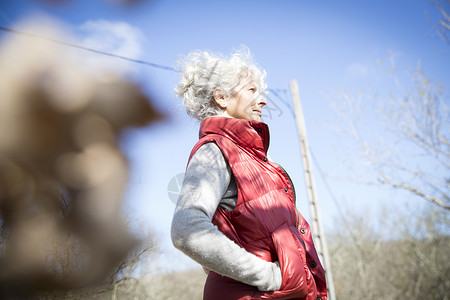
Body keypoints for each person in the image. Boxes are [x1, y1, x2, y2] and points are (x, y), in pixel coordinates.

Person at [171, 47, 327, 300]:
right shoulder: (214, 152)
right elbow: (186, 230)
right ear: (221, 97)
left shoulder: (258, 160)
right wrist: (271, 277)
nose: (263, 99)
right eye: (252, 90)